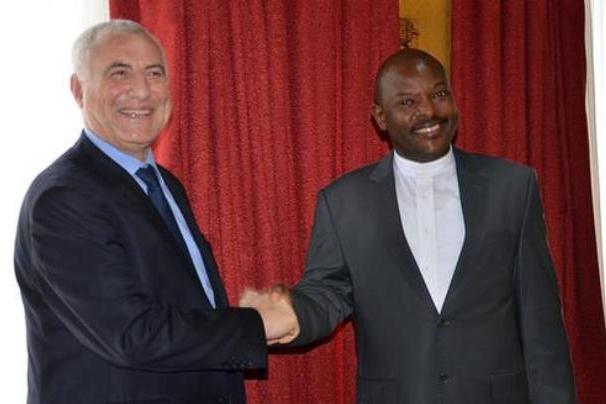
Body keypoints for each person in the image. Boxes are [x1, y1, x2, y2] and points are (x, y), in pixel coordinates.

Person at [241, 48, 576, 403]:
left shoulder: (513, 187)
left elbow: (541, 321)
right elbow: (326, 294)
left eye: (438, 94)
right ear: (380, 118)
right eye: (407, 102)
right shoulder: (343, 203)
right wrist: (290, 313)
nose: (429, 111)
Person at [14, 19, 291, 404]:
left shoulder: (165, 184)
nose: (142, 91)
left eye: (154, 73)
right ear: (78, 89)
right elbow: (132, 334)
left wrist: (241, 317)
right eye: (119, 72)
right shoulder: (63, 198)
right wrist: (256, 324)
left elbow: (176, 303)